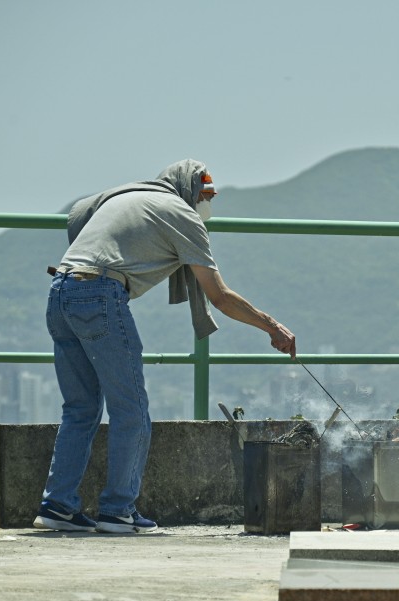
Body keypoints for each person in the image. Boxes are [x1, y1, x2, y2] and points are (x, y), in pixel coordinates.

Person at [34, 159, 296, 534]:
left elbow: (78, 215)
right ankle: (118, 511)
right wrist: (272, 327)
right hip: (100, 294)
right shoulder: (180, 214)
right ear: (188, 188)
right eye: (205, 193)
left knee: (80, 407)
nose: (208, 201)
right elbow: (219, 296)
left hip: (60, 290)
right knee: (131, 408)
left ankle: (57, 505)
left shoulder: (126, 196)